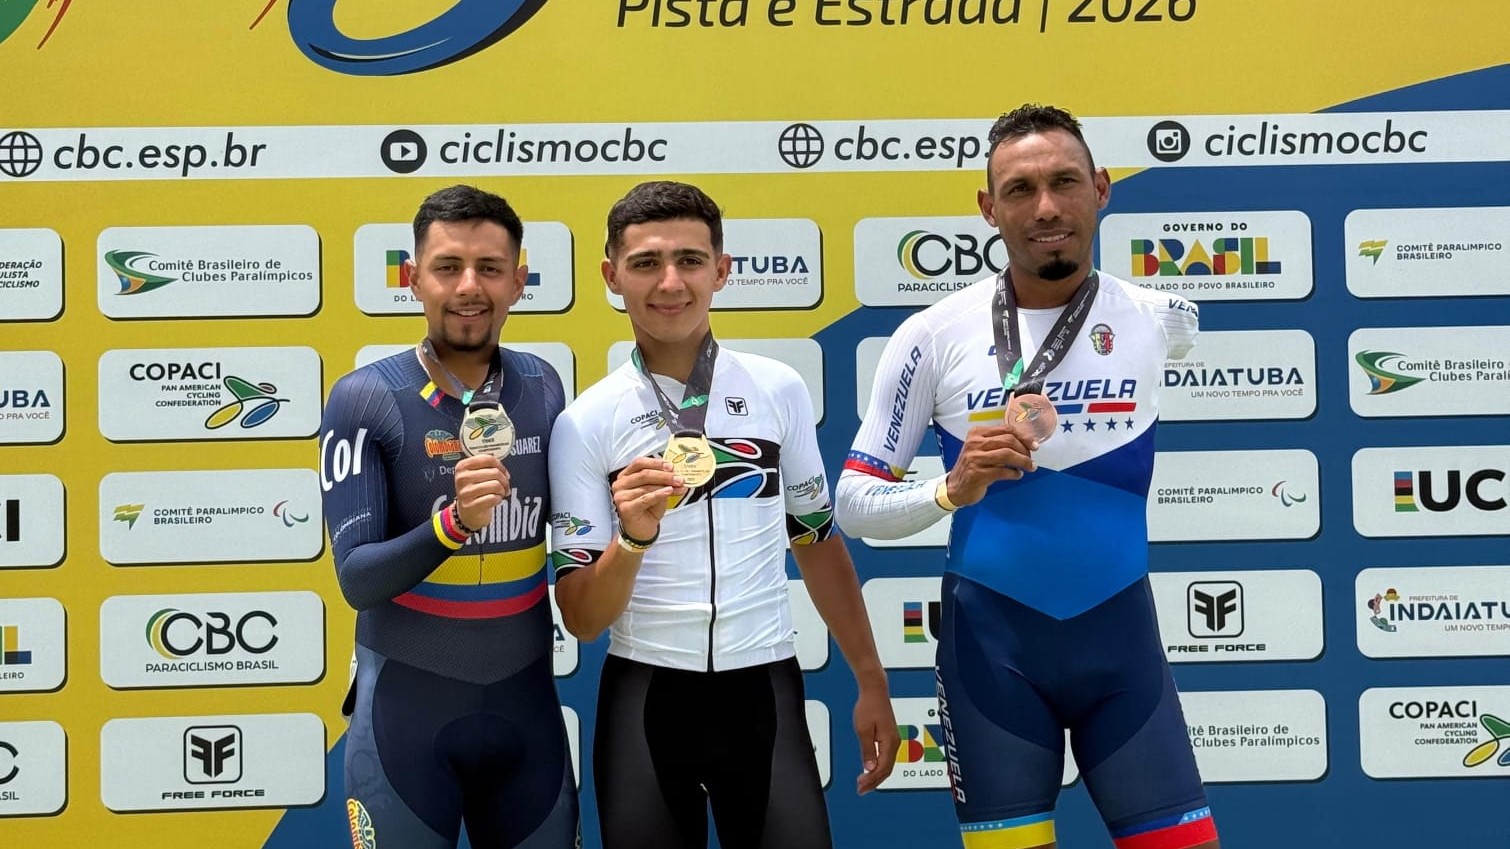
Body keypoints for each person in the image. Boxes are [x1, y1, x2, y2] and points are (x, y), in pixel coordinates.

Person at [835, 105, 1220, 849]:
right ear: (988, 208)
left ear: (1102, 188)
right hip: (993, 658)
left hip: (1123, 650)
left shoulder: (1161, 317)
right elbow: (854, 501)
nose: (1045, 207)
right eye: (1019, 189)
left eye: (1064, 182)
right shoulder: (933, 335)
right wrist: (949, 489)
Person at [548, 180, 898, 849]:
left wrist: (871, 678)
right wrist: (634, 537)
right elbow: (584, 618)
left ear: (723, 269)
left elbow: (817, 540)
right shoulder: (585, 422)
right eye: (646, 262)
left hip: (762, 689)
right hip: (646, 699)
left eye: (690, 259)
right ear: (611, 275)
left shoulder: (778, 389)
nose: (670, 281)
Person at [319, 184, 578, 849]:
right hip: (406, 719)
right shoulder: (366, 398)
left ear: (520, 280)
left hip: (528, 715)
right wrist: (453, 523)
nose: (470, 286)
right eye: (448, 267)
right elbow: (357, 578)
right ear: (412, 280)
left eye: (490, 268)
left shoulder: (545, 386)